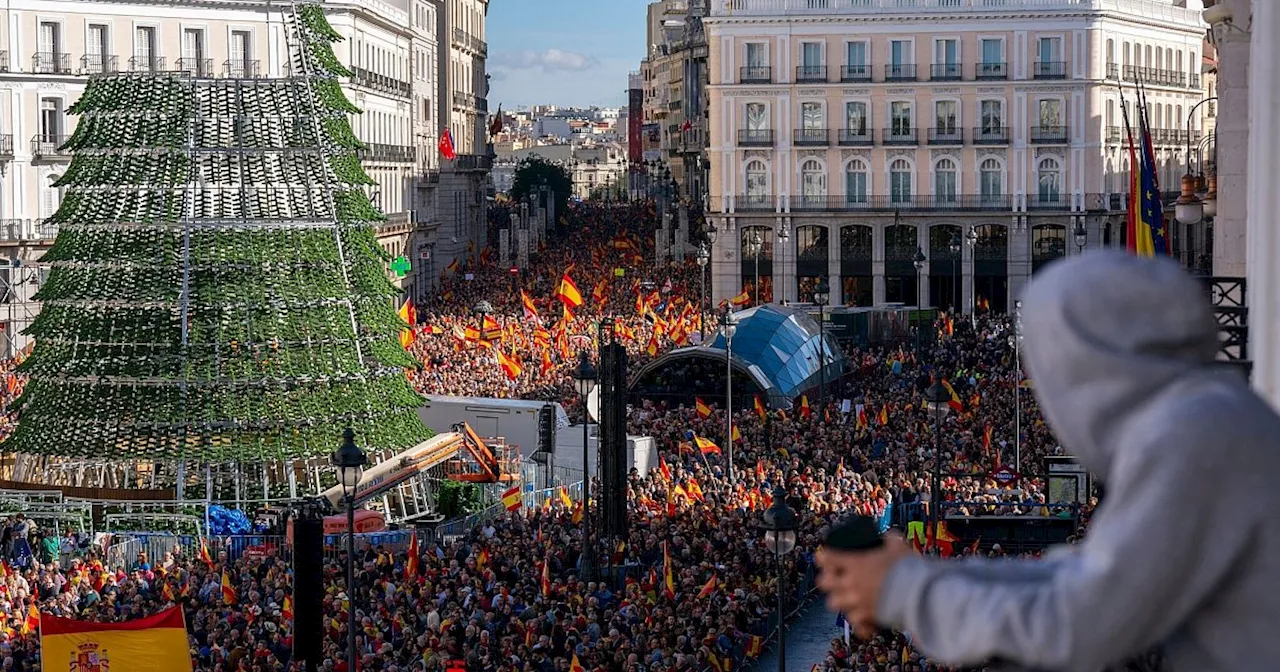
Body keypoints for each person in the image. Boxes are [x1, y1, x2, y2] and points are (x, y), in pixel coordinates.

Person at [816, 252, 1280, 672]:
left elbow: (1082, 618)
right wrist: (923, 578)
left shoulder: (1194, 434)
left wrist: (906, 591)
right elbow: (1086, 574)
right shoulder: (1214, 414)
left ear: (1080, 364)